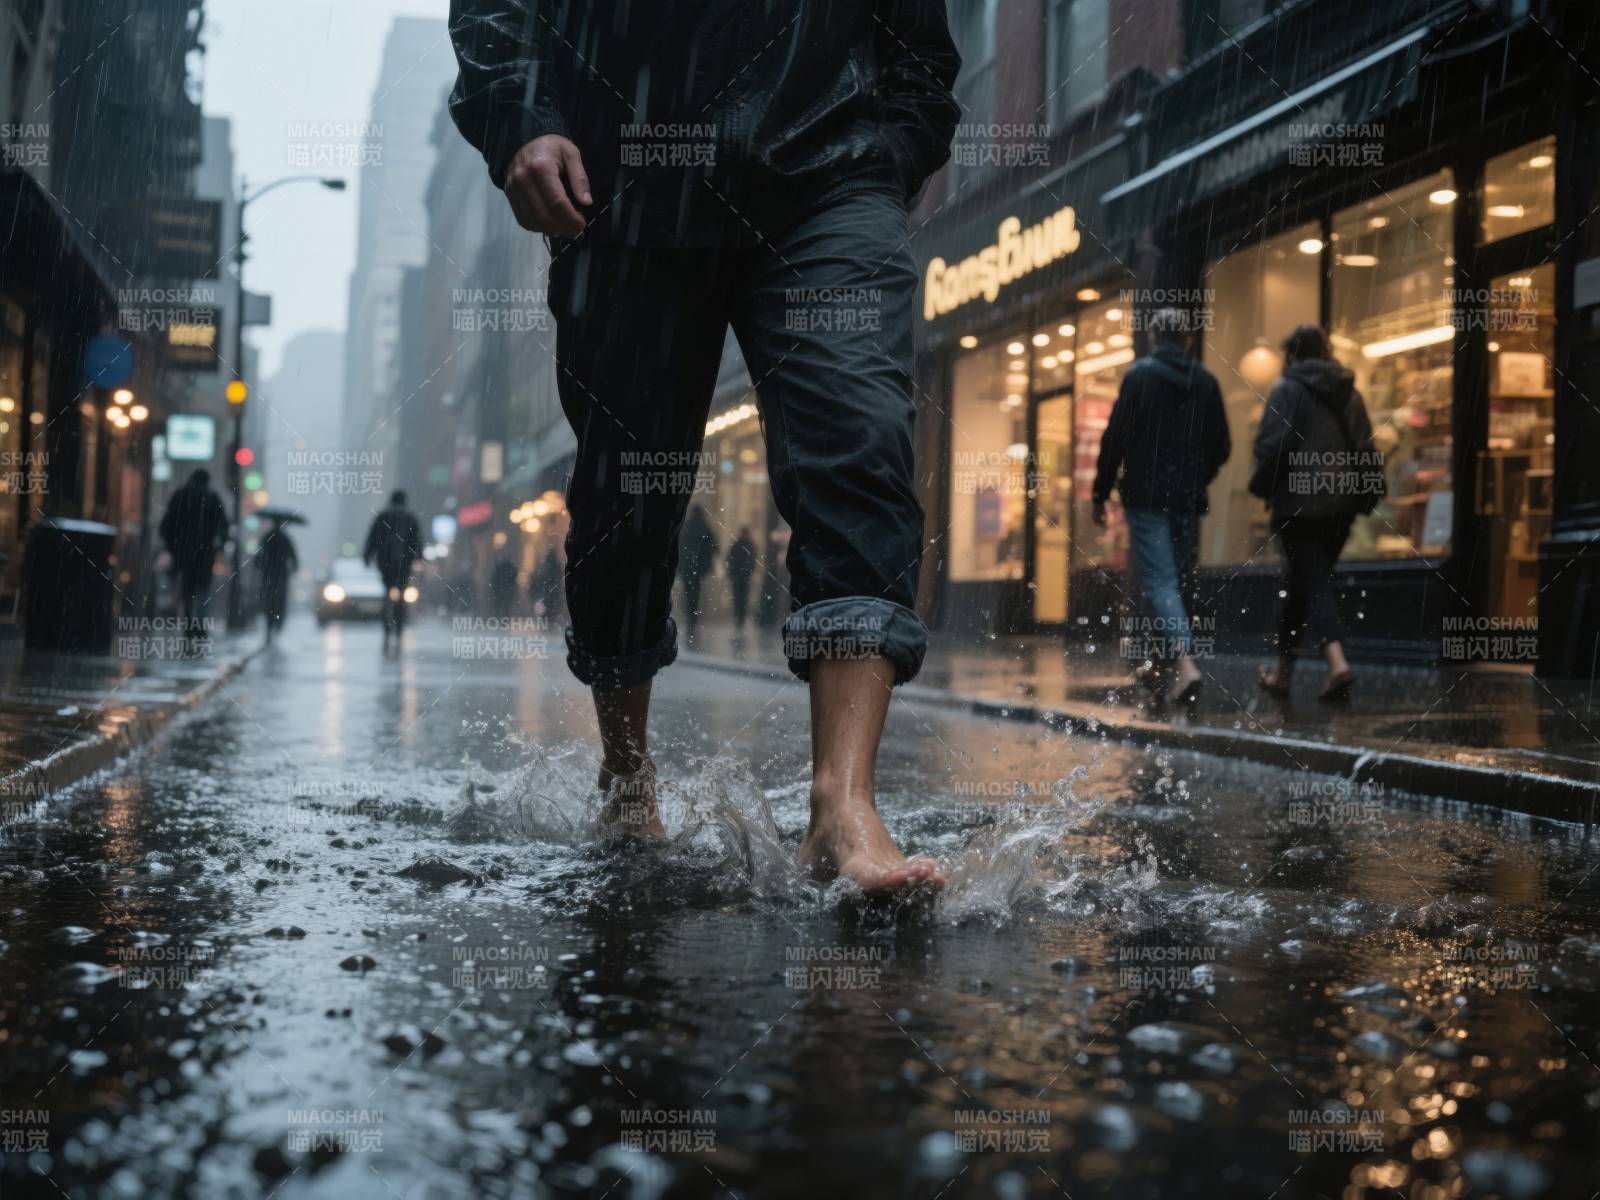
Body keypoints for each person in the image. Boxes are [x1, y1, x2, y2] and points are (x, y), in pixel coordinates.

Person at [449, 0, 959, 893]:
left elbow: (920, 47)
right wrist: (522, 119)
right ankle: (626, 775)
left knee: (858, 437)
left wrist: (887, 156)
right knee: (626, 502)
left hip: (827, 177)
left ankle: (843, 803)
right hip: (622, 187)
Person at [1092, 308, 1231, 707]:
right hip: (1186, 499)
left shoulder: (1140, 377)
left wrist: (1101, 492)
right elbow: (1221, 445)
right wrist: (1198, 476)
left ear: (1154, 339)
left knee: (1160, 581)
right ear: (1188, 340)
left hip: (1146, 496)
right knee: (1173, 581)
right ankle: (1156, 666)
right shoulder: (1205, 381)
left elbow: (1114, 438)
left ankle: (1185, 667)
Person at [1250, 324, 1383, 703]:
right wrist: (1365, 494)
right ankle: (1282, 674)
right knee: (1304, 584)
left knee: (1313, 583)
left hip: (1297, 505)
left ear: (1291, 355)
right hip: (1340, 505)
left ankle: (1338, 663)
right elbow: (1365, 448)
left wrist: (1262, 485)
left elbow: (1271, 446)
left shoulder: (1287, 390)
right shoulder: (1350, 393)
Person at [159, 468, 229, 638]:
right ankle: (198, 623)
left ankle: (188, 621)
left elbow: (166, 525)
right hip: (205, 553)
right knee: (203, 588)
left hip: (184, 552)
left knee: (187, 588)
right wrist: (219, 546)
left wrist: (173, 547)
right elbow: (224, 526)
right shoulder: (212, 498)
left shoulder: (181, 495)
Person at [363, 490, 424, 651]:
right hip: (404, 564)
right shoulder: (410, 517)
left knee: (387, 596)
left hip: (385, 563)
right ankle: (398, 631)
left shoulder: (382, 516)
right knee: (401, 598)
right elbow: (417, 540)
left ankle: (386, 631)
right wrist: (418, 557)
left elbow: (372, 538)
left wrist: (367, 556)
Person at [677, 506, 719, 638]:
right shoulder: (705, 528)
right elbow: (715, 548)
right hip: (699, 569)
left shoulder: (686, 527)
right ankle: (693, 619)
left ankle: (689, 618)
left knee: (687, 593)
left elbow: (679, 547)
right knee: (696, 593)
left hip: (687, 568)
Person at [255, 520, 299, 642]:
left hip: (268, 575)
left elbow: (258, 557)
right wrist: (292, 568)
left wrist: (261, 566)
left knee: (269, 602)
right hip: (281, 576)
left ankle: (270, 626)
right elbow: (294, 559)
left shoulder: (267, 537)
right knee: (279, 603)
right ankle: (277, 624)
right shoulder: (285, 539)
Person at [725, 528, 758, 630]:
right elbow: (753, 560)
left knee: (737, 596)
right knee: (743, 597)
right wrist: (749, 570)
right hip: (744, 576)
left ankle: (738, 616)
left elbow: (729, 558)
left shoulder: (736, 544)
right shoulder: (750, 545)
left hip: (737, 575)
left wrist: (731, 572)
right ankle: (741, 617)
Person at [530, 547, 563, 623]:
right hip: (554, 590)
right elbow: (559, 577)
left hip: (546, 590)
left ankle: (547, 620)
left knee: (547, 606)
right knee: (553, 607)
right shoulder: (556, 565)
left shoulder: (545, 565)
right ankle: (551, 620)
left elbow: (540, 577)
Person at [490, 555, 519, 619]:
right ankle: (504, 617)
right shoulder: (509, 568)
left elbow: (493, 579)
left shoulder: (499, 568)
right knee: (506, 606)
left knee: (500, 605)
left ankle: (500, 617)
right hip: (505, 589)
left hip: (500, 589)